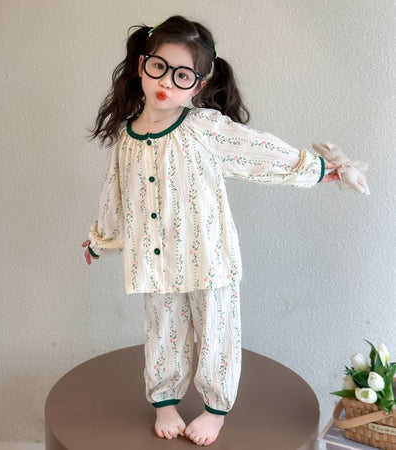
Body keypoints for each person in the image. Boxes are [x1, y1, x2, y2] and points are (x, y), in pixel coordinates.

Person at [81, 15, 369, 446]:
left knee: (217, 334)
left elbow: (260, 151)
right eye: (159, 67)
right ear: (142, 64)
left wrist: (322, 169)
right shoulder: (126, 139)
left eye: (182, 76)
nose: (166, 82)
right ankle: (165, 402)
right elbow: (114, 196)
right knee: (162, 332)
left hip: (209, 260)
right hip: (156, 265)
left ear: (198, 85)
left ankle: (214, 410)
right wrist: (101, 241)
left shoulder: (205, 129)